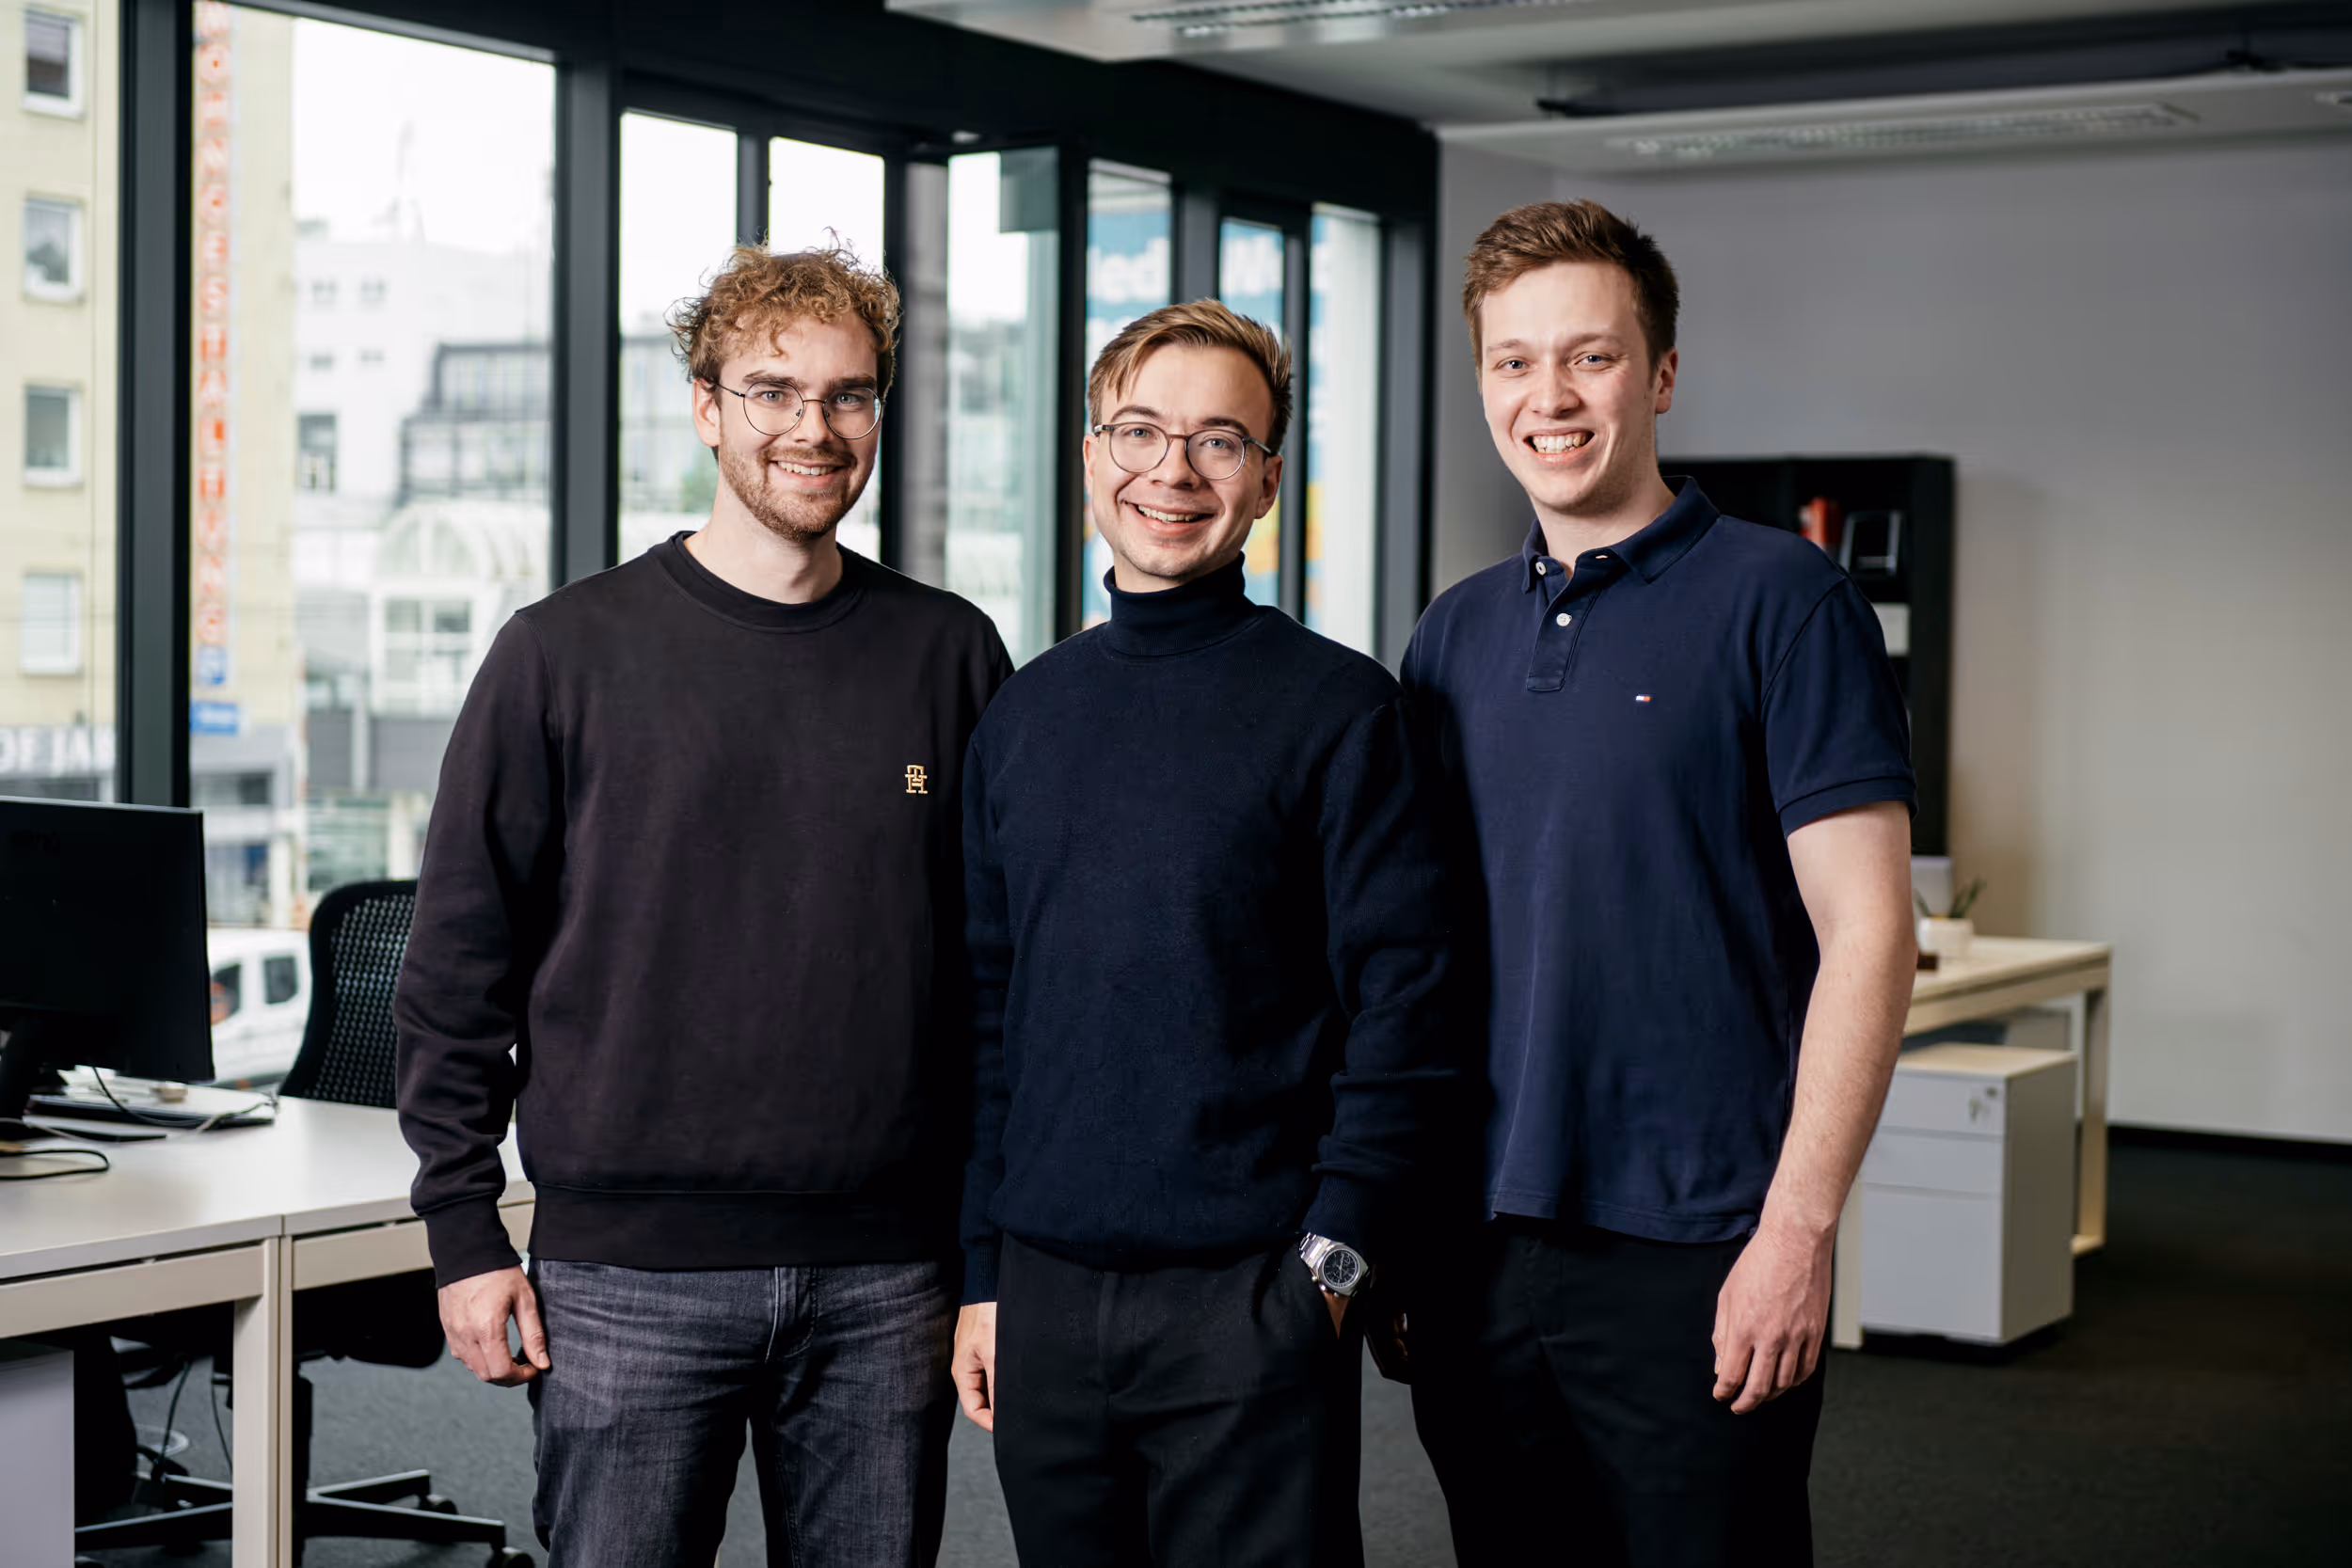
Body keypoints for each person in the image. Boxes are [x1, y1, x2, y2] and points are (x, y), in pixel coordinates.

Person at [394, 243, 1010, 1568]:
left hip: (887, 1274)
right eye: (774, 390)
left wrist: (988, 1255)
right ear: (705, 405)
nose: (814, 427)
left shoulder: (950, 654)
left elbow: (992, 983)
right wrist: (460, 1228)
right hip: (626, 1277)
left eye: (848, 396)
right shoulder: (562, 654)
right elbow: (457, 965)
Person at [1401, 199, 1919, 1566]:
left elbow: (1872, 932)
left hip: (1698, 1241)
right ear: (1482, 382)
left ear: (1662, 374)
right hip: (1480, 1244)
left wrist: (1798, 1229)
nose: (1549, 396)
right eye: (1513, 361)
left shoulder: (1785, 600)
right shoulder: (1450, 634)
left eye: (1592, 356)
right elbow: (1418, 953)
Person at [948, 299, 1453, 1567]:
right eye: (1140, 430)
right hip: (1049, 1299)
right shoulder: (1023, 717)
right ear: (1089, 457)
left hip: (1253, 1296)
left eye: (1220, 440)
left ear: (1269, 480)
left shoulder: (1343, 713)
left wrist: (1334, 1264)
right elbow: (988, 1013)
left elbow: (1410, 1003)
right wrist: (984, 1273)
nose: (1172, 470)